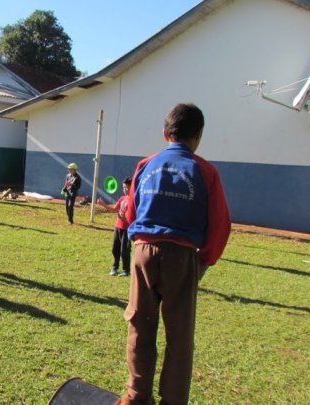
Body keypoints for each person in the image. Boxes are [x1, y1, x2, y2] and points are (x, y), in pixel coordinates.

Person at [117, 103, 231, 405]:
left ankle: (136, 396)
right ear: (199, 136)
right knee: (179, 336)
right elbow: (220, 224)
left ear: (165, 133)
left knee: (140, 326)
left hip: (143, 251)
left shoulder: (145, 165)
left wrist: (137, 239)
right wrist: (204, 260)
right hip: (182, 257)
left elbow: (130, 210)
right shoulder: (205, 171)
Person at [97, 176, 132, 277]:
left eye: (127, 187)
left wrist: (125, 219)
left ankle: (126, 270)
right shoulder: (122, 198)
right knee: (114, 248)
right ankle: (114, 267)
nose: (125, 189)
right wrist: (103, 204)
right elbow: (114, 210)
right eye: (123, 187)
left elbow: (134, 216)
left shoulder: (134, 200)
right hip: (118, 227)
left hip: (127, 229)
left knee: (124, 250)